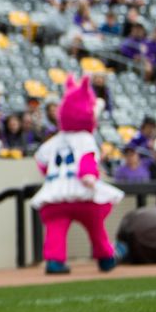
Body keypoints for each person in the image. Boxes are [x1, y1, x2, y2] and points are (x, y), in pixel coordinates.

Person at [30, 75, 125, 274]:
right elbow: (87, 162)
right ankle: (106, 258)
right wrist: (89, 176)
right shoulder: (85, 138)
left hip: (55, 194)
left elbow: (41, 161)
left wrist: (52, 174)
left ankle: (55, 261)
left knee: (56, 228)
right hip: (82, 193)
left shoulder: (55, 140)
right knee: (96, 227)